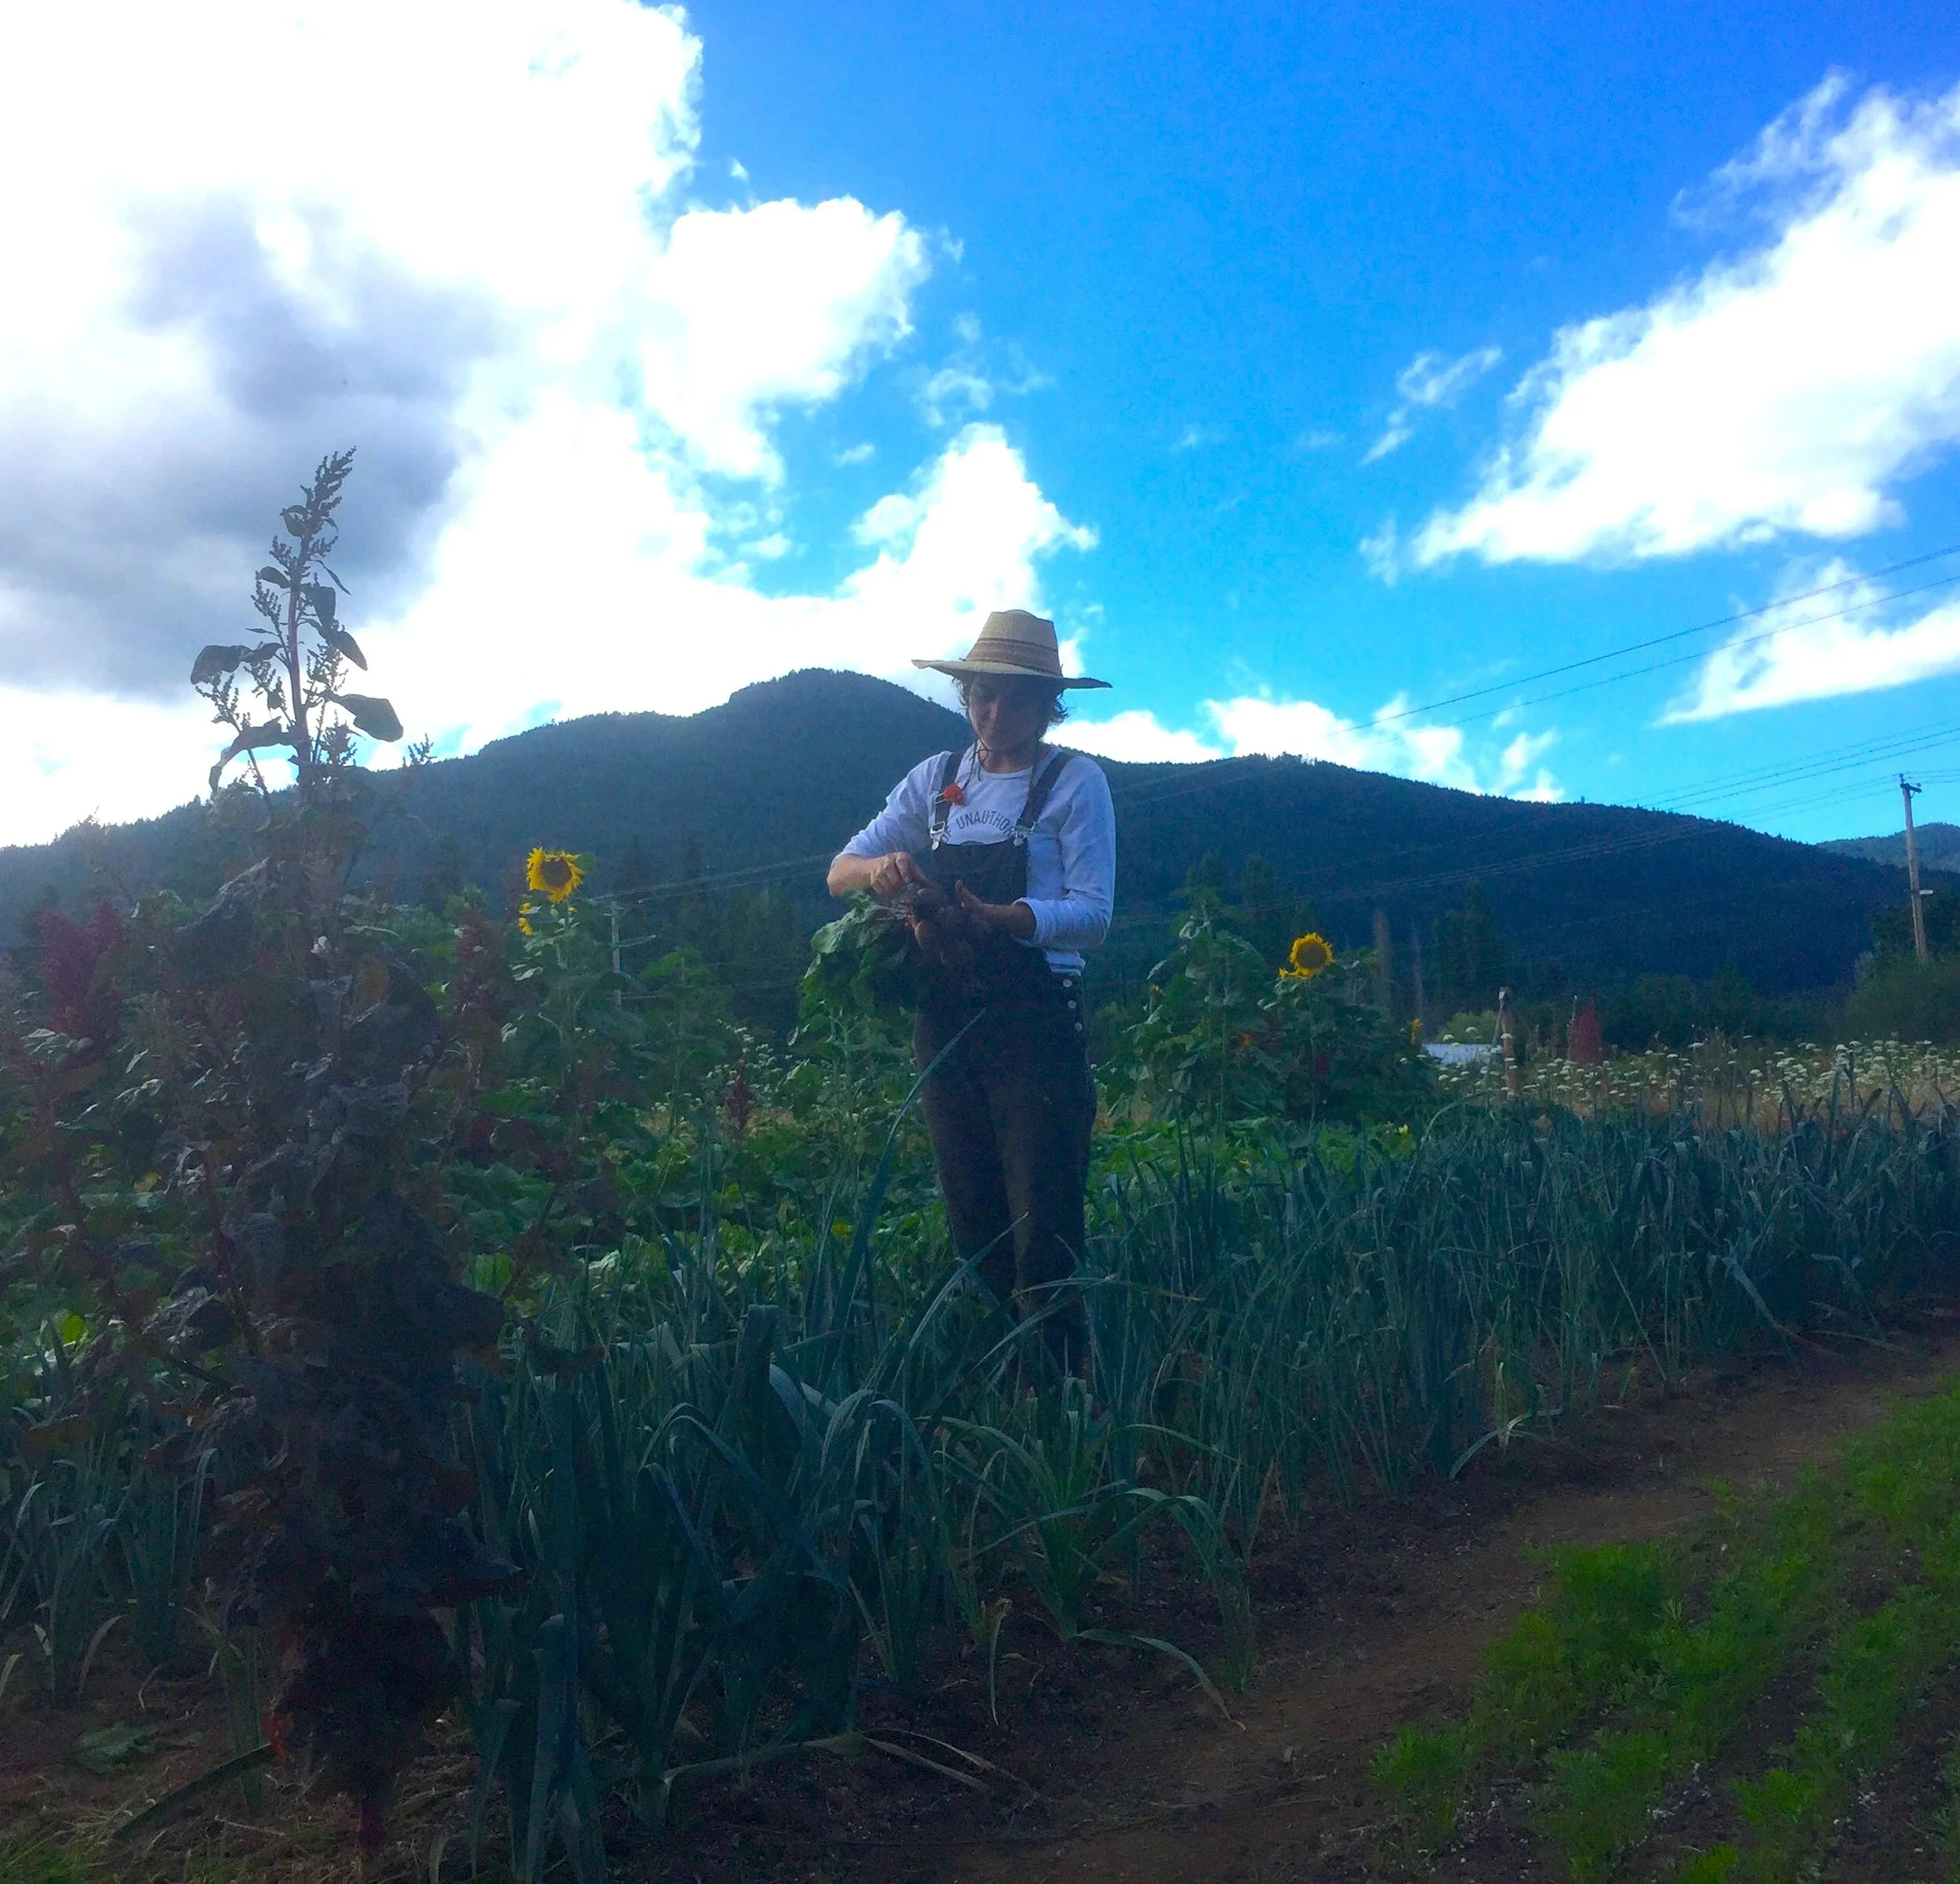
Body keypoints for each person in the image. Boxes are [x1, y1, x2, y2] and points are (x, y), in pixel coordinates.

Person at [827, 610, 1116, 1371]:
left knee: (1043, 1229)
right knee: (973, 1223)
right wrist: (882, 872)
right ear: (966, 695)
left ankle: (1065, 1408)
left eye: (1017, 701)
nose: (996, 714)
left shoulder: (1073, 781)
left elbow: (1092, 918)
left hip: (1038, 1027)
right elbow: (839, 871)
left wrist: (1009, 918)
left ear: (1049, 704)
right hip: (945, 1023)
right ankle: (1007, 1396)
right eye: (983, 696)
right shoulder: (935, 780)